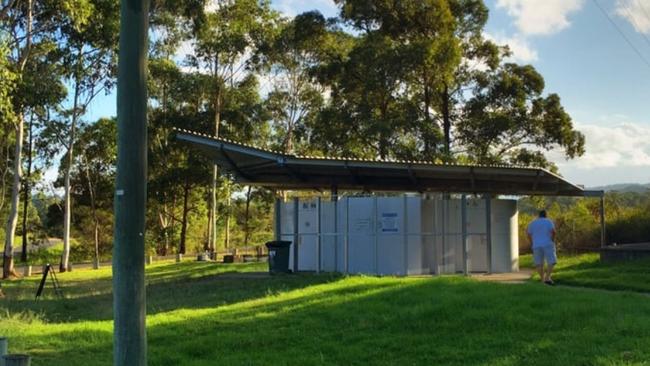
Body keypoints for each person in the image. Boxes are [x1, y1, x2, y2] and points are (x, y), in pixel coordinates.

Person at [527, 210, 557, 285]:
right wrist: (552, 240)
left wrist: (532, 243)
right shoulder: (548, 221)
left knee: (539, 263)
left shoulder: (532, 223)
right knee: (552, 261)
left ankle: (542, 280)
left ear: (539, 215)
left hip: (536, 245)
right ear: (546, 215)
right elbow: (553, 232)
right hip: (547, 243)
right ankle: (547, 277)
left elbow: (528, 234)